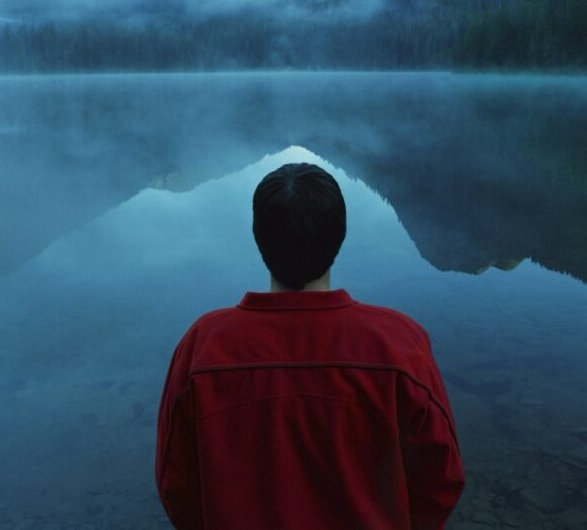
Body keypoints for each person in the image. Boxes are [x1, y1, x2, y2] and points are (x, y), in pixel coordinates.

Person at [155, 162, 464, 529]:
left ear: (258, 237)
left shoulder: (203, 347)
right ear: (340, 235)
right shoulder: (398, 344)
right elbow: (441, 480)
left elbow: (176, 484)